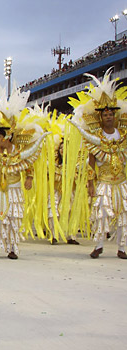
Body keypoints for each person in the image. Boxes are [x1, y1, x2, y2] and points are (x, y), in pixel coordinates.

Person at [0, 88, 50, 259]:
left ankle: (12, 248)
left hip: (14, 187)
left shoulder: (19, 153)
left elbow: (29, 165)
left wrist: (29, 177)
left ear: (8, 137)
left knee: (13, 218)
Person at [68, 69, 127, 259]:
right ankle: (99, 245)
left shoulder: (123, 135)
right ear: (100, 118)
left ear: (115, 116)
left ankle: (122, 248)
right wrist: (91, 183)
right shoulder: (95, 138)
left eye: (111, 114)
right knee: (102, 213)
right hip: (104, 180)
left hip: (122, 181)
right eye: (105, 114)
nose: (108, 117)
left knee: (124, 216)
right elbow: (91, 162)